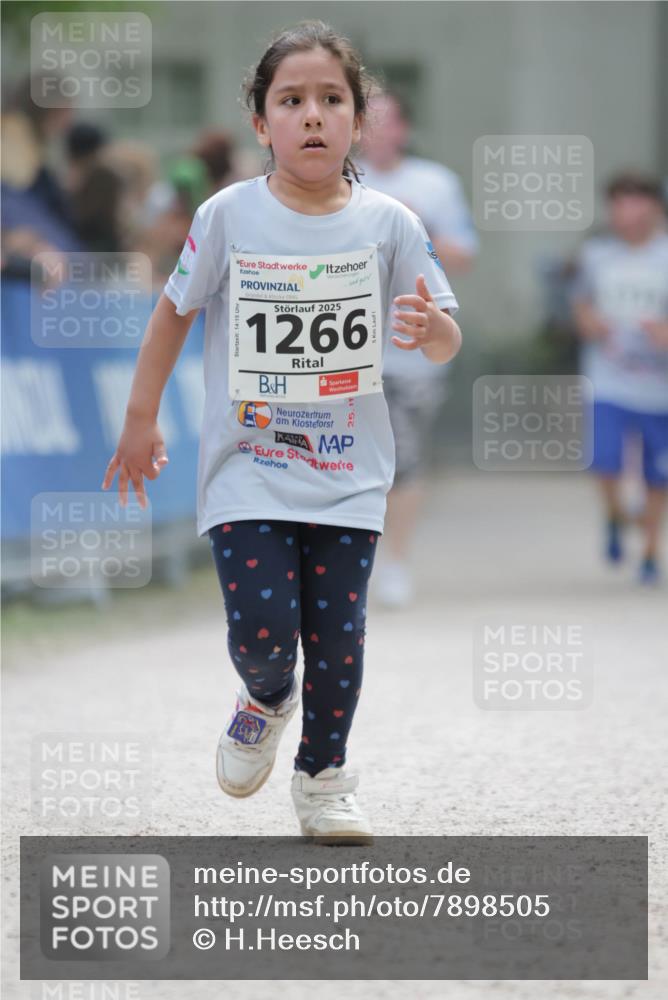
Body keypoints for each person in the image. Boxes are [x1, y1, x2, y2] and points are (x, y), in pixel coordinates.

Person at [101, 20, 462, 843]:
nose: (312, 115)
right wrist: (139, 419)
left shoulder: (391, 223)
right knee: (263, 632)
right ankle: (264, 697)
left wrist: (427, 331)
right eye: (290, 100)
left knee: (338, 636)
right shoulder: (229, 215)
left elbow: (445, 327)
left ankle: (324, 776)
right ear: (262, 124)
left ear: (357, 120)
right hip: (249, 467)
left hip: (349, 469)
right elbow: (172, 314)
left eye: (331, 99)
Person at [358, 92, 478, 607]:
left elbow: (464, 253)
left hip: (410, 352)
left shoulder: (434, 183)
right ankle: (350, 561)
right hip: (344, 350)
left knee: (403, 461)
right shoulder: (335, 180)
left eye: (387, 121)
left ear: (403, 128)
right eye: (369, 121)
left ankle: (397, 562)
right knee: (348, 462)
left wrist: (411, 225)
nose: (378, 131)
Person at [571, 171, 668, 584]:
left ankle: (649, 551)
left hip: (659, 387)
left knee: (656, 474)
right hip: (607, 379)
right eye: (619, 202)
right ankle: (613, 514)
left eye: (636, 201)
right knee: (605, 460)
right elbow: (580, 303)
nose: (627, 212)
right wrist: (592, 324)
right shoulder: (596, 255)